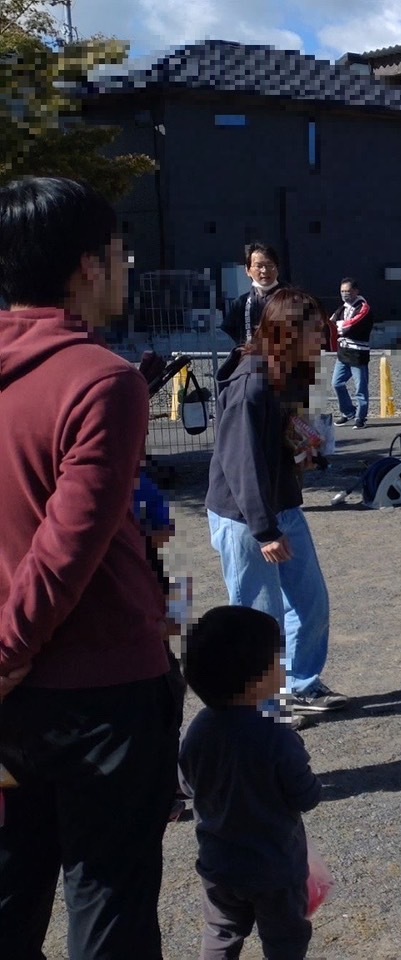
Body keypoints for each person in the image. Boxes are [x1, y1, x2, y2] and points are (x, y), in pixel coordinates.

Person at [0, 176, 180, 958]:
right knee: (107, 900)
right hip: (100, 690)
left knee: (9, 890)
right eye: (119, 252)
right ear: (87, 267)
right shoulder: (101, 382)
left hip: (14, 702)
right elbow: (60, 554)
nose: (127, 264)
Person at [207, 286, 347, 718]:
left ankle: (303, 685)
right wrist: (263, 529)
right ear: (287, 333)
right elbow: (240, 462)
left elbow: (287, 434)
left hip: (282, 505)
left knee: (311, 603)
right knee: (258, 616)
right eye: (314, 332)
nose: (322, 339)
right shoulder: (251, 384)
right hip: (244, 516)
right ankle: (262, 708)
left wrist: (307, 450)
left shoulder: (290, 374)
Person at [179, 605, 323, 960]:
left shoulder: (198, 729)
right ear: (260, 680)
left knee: (221, 931)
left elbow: (185, 784)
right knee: (284, 940)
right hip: (274, 866)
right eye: (279, 660)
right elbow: (306, 796)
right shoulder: (275, 735)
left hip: (218, 863)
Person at [221, 242, 282, 347]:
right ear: (247, 270)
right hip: (252, 358)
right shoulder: (240, 303)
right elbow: (232, 330)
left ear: (277, 268)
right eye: (259, 266)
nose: (264, 270)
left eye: (270, 265)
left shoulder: (293, 299)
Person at [331, 278, 374, 428]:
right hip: (343, 352)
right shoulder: (342, 308)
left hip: (358, 353)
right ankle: (348, 411)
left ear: (356, 291)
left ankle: (360, 417)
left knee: (360, 388)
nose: (345, 294)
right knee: (336, 383)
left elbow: (350, 326)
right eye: (342, 291)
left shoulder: (363, 307)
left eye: (348, 291)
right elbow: (331, 323)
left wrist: (341, 327)